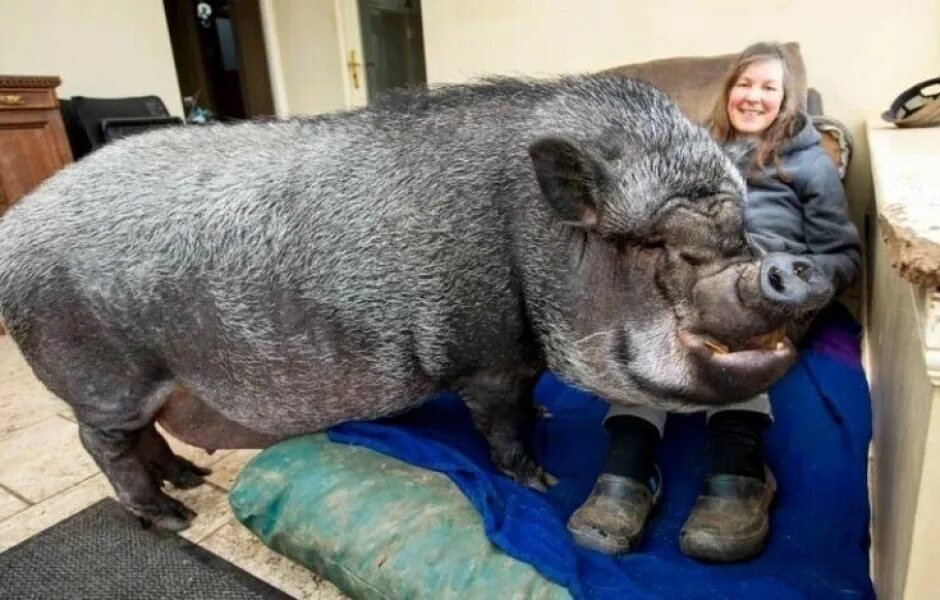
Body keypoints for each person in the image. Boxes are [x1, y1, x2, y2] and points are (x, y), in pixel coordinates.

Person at [566, 41, 862, 562]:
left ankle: (740, 469)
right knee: (648, 321)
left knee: (734, 326)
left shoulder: (810, 163)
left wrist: (799, 284)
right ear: (728, 91)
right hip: (698, 275)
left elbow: (841, 254)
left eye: (768, 88)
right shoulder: (694, 151)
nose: (753, 97)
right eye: (744, 84)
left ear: (786, 99)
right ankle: (628, 467)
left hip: (766, 283)